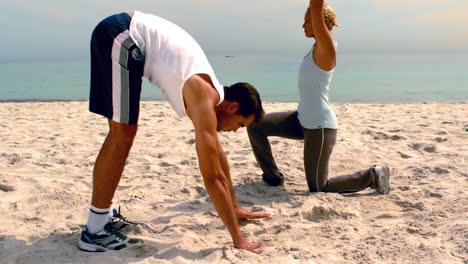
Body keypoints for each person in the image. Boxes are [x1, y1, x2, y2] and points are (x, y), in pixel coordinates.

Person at [79, 10, 270, 254]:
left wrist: (234, 206)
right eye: (241, 124)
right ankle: (94, 231)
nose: (234, 132)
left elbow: (218, 158)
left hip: (125, 34)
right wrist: (238, 239)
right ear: (233, 107)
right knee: (122, 134)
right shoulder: (203, 97)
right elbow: (212, 178)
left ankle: (101, 219)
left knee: (124, 132)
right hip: (123, 35)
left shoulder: (210, 93)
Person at [247, 0, 390, 194]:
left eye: (307, 21)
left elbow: (316, 6)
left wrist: (314, 9)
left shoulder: (327, 48)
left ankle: (372, 175)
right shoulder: (315, 48)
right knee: (256, 126)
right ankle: (272, 178)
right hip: (301, 118)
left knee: (318, 187)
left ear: (319, 22)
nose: (303, 25)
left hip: (319, 126)